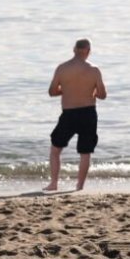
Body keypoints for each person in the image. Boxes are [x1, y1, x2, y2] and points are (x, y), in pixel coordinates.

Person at [44, 39, 107, 191]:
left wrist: (66, 90)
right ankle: (79, 186)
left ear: (74, 49)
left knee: (55, 149)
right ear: (88, 50)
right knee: (85, 152)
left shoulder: (62, 68)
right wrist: (91, 92)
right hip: (88, 113)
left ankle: (54, 184)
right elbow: (103, 95)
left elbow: (52, 92)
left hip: (69, 113)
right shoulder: (94, 70)